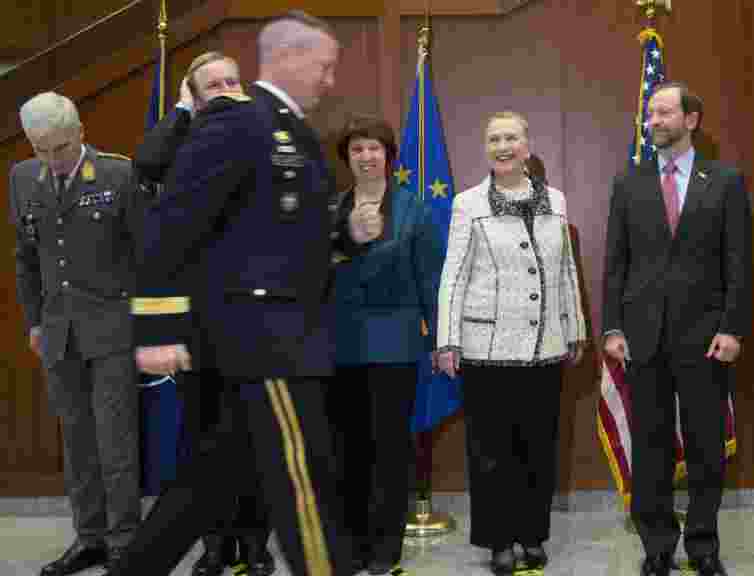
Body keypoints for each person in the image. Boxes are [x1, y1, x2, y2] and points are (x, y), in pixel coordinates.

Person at [105, 10, 347, 576]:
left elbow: (280, 235)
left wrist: (347, 237)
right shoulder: (239, 121)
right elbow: (171, 224)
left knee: (211, 483)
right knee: (302, 477)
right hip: (267, 340)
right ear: (287, 58)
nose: (330, 81)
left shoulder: (290, 128)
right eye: (325, 66)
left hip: (281, 332)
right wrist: (159, 328)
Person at [132, 51, 275, 576]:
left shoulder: (262, 134)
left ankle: (255, 544)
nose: (227, 90)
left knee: (256, 439)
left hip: (255, 318)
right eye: (213, 84)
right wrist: (182, 112)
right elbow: (146, 163)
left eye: (233, 81)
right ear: (193, 95)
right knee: (201, 437)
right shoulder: (184, 140)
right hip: (199, 322)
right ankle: (215, 545)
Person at [602, 81, 751, 576]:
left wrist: (733, 327)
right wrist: (612, 328)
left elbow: (738, 262)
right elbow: (616, 264)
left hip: (706, 338)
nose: (653, 121)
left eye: (664, 112)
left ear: (691, 120)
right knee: (651, 445)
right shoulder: (629, 181)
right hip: (642, 337)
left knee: (707, 445)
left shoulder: (725, 181)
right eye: (650, 113)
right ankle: (658, 545)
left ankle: (704, 546)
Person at [436, 111, 586, 576]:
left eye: (512, 138)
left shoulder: (555, 199)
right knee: (491, 451)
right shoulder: (467, 203)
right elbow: (454, 274)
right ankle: (499, 539)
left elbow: (564, 270)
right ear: (486, 148)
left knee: (537, 447)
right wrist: (448, 340)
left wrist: (576, 326)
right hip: (487, 349)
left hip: (545, 347)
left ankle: (531, 534)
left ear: (527, 145)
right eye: (495, 138)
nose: (504, 146)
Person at [8, 91, 141, 576]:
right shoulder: (22, 178)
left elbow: (145, 255)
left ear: (80, 132)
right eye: (40, 149)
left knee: (116, 442)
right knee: (77, 441)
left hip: (112, 329)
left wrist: (148, 325)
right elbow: (26, 258)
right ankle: (90, 539)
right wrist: (35, 322)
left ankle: (125, 542)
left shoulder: (118, 175)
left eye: (59, 148)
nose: (51, 160)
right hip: (58, 332)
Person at [329, 114, 443, 575]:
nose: (366, 156)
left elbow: (431, 278)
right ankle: (353, 544)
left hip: (395, 345)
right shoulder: (332, 208)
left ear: (388, 155)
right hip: (340, 346)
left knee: (389, 451)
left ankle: (384, 549)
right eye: (357, 149)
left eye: (374, 148)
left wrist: (439, 338)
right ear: (348, 158)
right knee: (348, 449)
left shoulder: (413, 208)